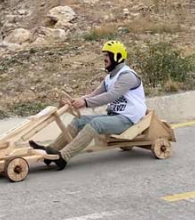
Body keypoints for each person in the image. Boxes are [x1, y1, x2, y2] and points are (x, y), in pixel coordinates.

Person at [30, 41, 146, 170]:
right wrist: (76, 101)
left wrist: (85, 103)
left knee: (96, 124)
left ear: (117, 57)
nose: (105, 59)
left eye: (108, 55)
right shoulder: (110, 78)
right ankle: (50, 150)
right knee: (79, 121)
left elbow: (112, 95)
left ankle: (63, 157)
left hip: (128, 120)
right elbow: (94, 94)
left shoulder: (128, 76)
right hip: (115, 116)